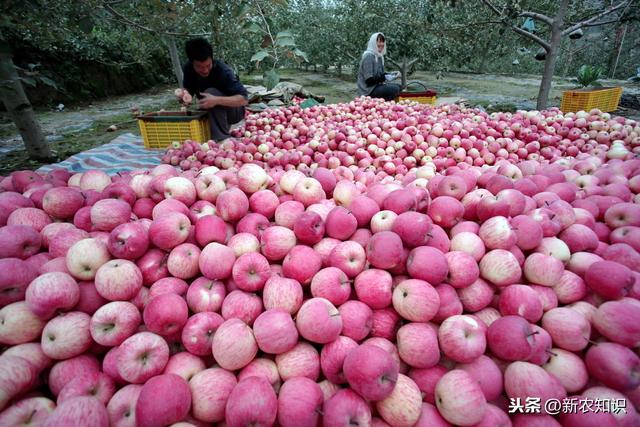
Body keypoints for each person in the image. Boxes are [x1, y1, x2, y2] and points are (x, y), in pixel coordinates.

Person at [181, 38, 248, 142]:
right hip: (209, 111)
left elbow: (244, 99)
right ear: (192, 63)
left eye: (208, 65)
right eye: (199, 67)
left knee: (211, 93)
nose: (205, 70)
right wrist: (185, 96)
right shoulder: (188, 69)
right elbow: (188, 89)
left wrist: (216, 100)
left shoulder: (223, 71)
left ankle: (222, 139)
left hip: (234, 112)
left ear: (212, 59)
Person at [356, 32, 401, 101]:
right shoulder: (369, 56)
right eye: (379, 41)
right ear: (373, 43)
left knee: (398, 86)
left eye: (383, 42)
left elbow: (380, 75)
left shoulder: (379, 56)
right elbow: (369, 81)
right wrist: (385, 77)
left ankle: (384, 106)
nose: (381, 44)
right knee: (394, 89)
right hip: (367, 90)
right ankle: (384, 105)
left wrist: (391, 74)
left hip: (375, 87)